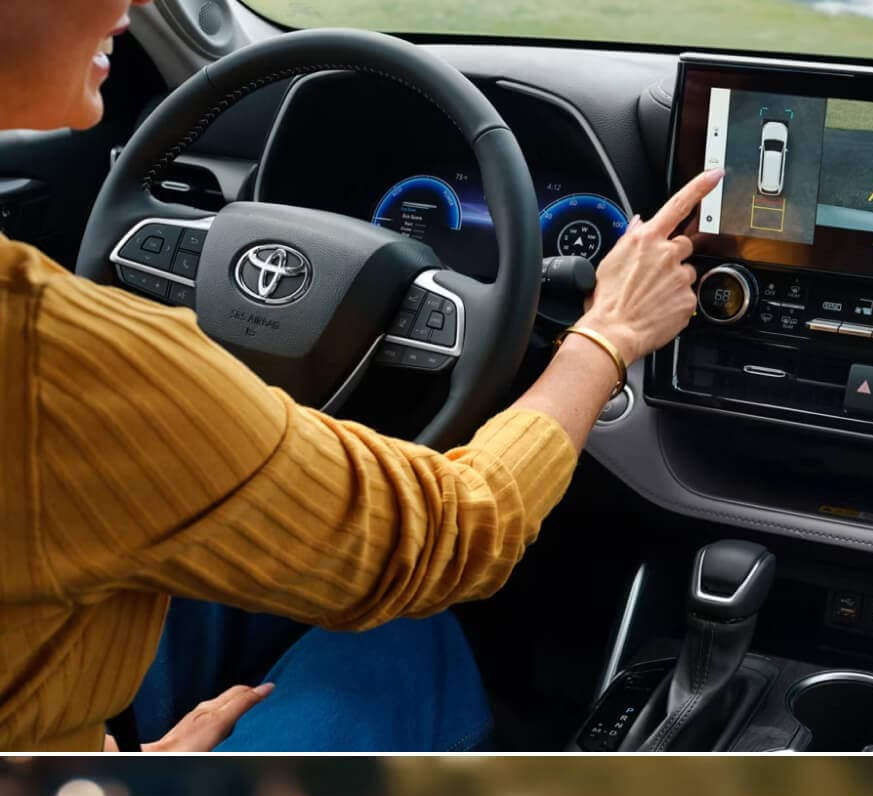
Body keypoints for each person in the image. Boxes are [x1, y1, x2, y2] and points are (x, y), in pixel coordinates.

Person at [0, 0, 723, 751]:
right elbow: (451, 532)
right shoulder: (70, 362)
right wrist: (608, 333)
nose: (137, 4)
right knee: (405, 628)